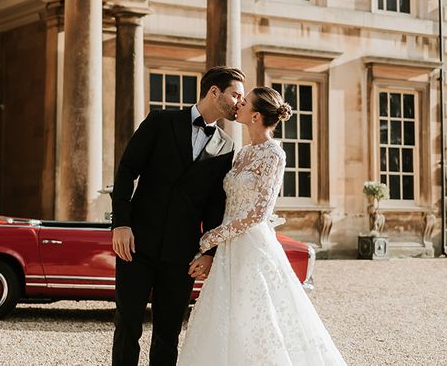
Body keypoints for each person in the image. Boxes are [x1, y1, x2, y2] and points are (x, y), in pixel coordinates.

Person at [177, 87, 346, 366]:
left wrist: (212, 237)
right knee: (225, 318)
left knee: (256, 318)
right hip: (230, 248)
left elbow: (258, 213)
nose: (238, 104)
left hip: (252, 246)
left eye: (244, 102)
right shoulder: (242, 153)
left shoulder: (274, 155)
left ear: (255, 116)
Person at [110, 66, 245, 366]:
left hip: (182, 253)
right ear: (214, 92)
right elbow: (127, 170)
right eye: (235, 94)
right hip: (136, 243)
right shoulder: (160, 121)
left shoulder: (227, 145)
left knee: (168, 334)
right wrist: (121, 223)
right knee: (128, 324)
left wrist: (209, 252)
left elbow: (215, 204)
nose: (240, 102)